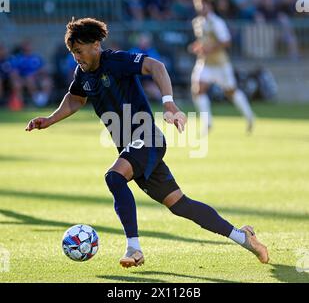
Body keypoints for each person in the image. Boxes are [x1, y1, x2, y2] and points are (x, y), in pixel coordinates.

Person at [25, 17, 268, 268]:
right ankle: (244, 237)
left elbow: (156, 66)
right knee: (180, 204)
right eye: (73, 52)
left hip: (147, 139)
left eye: (79, 51)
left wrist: (168, 102)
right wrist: (50, 119)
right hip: (131, 147)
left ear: (96, 45)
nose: (76, 57)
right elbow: (75, 99)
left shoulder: (116, 61)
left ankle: (134, 249)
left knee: (114, 177)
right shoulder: (83, 74)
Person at [189, 0, 255, 132]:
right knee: (198, 89)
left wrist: (209, 48)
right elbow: (204, 41)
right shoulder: (197, 22)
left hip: (220, 64)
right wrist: (198, 46)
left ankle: (249, 116)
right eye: (198, 5)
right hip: (205, 62)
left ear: (209, 6)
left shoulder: (217, 22)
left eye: (203, 5)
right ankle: (207, 123)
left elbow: (226, 41)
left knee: (231, 92)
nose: (201, 8)